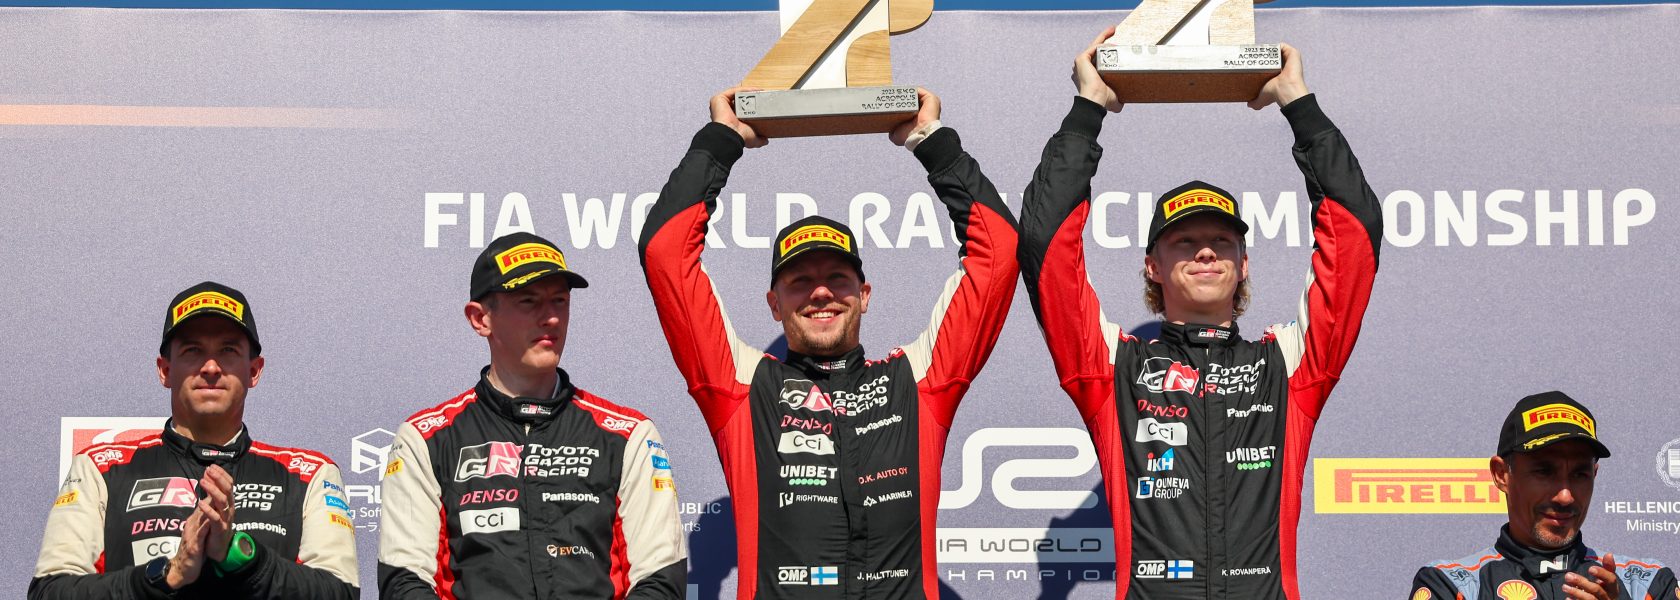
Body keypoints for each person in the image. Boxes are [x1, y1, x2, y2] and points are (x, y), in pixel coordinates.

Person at [1017, 28, 1384, 599]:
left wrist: (1299, 104)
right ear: (1153, 267)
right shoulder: (1113, 369)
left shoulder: (1289, 366)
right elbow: (1046, 247)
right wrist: (1088, 109)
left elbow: (1354, 239)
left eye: (1221, 241)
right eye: (1184, 242)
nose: (1206, 252)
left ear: (1243, 264)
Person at [638, 88, 1019, 598]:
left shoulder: (917, 382)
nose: (821, 292)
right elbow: (665, 254)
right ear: (774, 304)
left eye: (837, 278)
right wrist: (721, 141)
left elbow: (998, 252)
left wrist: (932, 142)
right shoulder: (742, 388)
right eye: (800, 281)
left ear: (864, 295)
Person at [377, 232, 687, 600]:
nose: (551, 317)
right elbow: (405, 582)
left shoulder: (628, 435)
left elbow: (660, 581)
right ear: (480, 319)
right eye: (529, 301)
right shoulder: (426, 439)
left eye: (560, 301)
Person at [31, 282, 359, 599]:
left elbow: (340, 592)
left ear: (254, 371)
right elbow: (50, 591)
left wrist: (241, 557)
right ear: (165, 370)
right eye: (193, 350)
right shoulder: (100, 468)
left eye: (228, 350)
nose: (211, 367)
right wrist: (168, 574)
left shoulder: (309, 475)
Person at [1411, 391, 1678, 600]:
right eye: (1544, 472)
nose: (1565, 496)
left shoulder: (1648, 583)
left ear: (1594, 475)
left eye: (1579, 474)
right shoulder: (1450, 585)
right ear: (1501, 474)